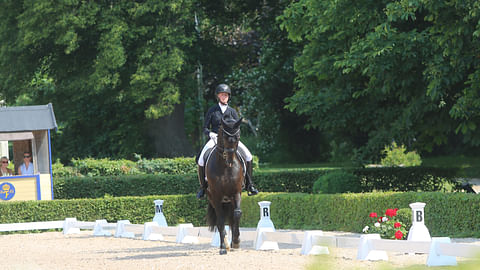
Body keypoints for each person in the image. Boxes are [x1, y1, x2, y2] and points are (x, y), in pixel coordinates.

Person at [196, 83, 259, 199]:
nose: (224, 97)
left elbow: (237, 126)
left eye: (226, 95)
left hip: (230, 140)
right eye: (222, 95)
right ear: (218, 96)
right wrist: (211, 134)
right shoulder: (212, 110)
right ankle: (203, 188)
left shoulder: (232, 111)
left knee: (249, 156)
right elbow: (205, 128)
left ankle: (250, 184)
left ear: (229, 96)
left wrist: (234, 136)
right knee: (200, 160)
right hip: (215, 138)